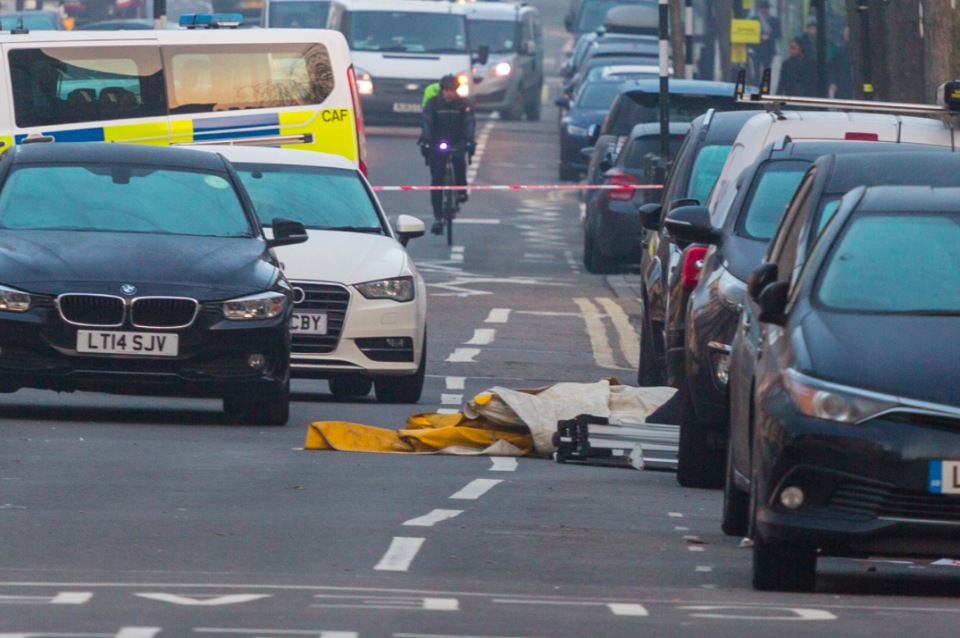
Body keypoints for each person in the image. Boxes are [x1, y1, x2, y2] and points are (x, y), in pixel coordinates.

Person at [419, 74, 476, 235]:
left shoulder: (464, 104)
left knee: (459, 161)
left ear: (456, 91)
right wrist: (426, 140)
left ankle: (461, 190)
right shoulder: (433, 104)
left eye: (452, 90)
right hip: (438, 141)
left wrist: (470, 141)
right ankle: (438, 217)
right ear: (442, 91)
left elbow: (469, 123)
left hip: (457, 140)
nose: (449, 94)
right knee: (436, 178)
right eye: (446, 90)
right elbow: (427, 122)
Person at [753, 0, 781, 82]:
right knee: (756, 73)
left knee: (766, 72)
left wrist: (769, 36)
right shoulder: (754, 20)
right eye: (762, 8)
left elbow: (778, 34)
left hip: (769, 50)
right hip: (756, 50)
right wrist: (759, 37)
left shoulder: (774, 20)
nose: (763, 10)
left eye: (765, 8)